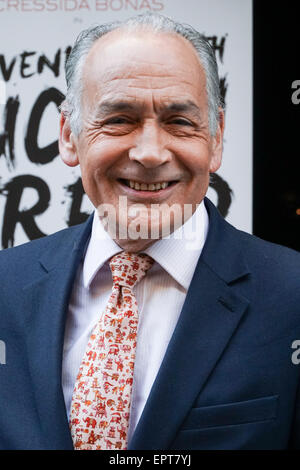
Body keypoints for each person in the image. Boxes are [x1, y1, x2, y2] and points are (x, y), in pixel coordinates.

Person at [0, 12, 300, 451]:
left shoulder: (291, 294)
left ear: (215, 138)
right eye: (119, 118)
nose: (150, 153)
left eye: (180, 122)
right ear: (69, 135)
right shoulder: (5, 285)